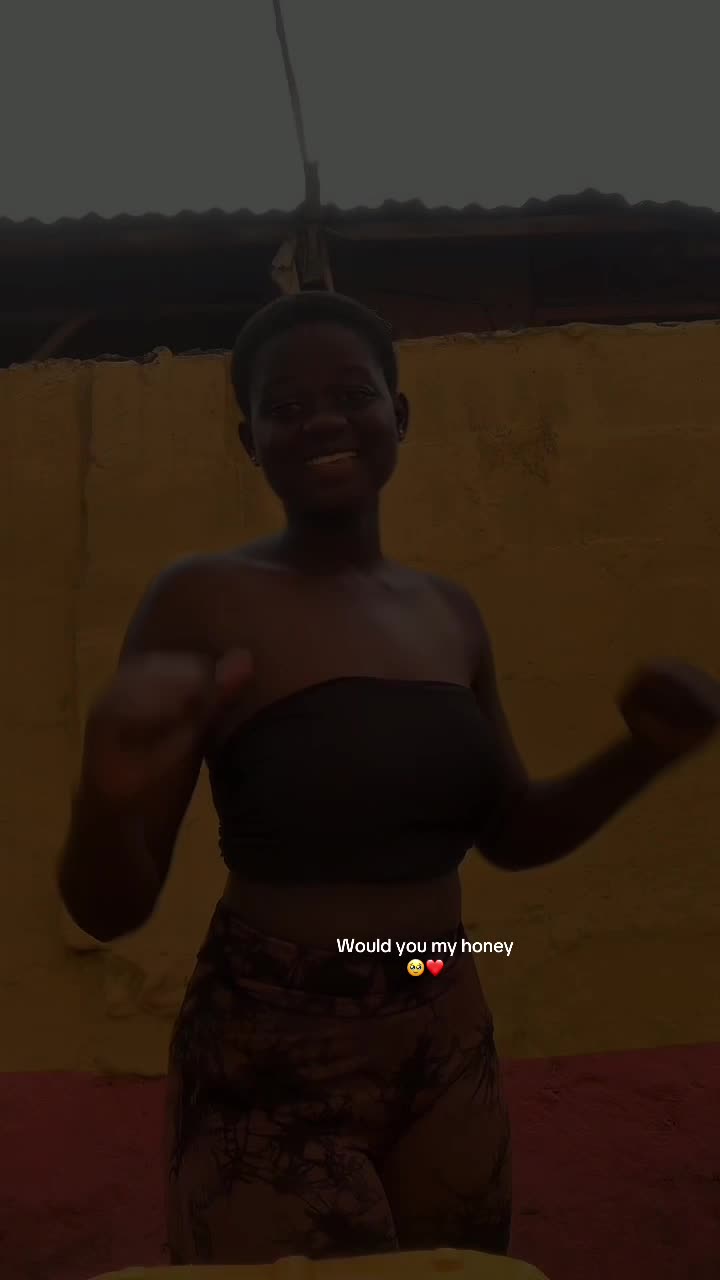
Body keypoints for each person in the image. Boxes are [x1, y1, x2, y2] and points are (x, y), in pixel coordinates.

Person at [57, 291, 720, 1266]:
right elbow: (107, 910)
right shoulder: (202, 600)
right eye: (287, 406)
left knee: (465, 1273)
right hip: (272, 1052)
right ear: (251, 440)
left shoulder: (448, 613)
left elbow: (513, 830)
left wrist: (646, 753)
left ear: (397, 414)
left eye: (352, 394)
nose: (322, 419)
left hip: (444, 1016)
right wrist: (107, 800)